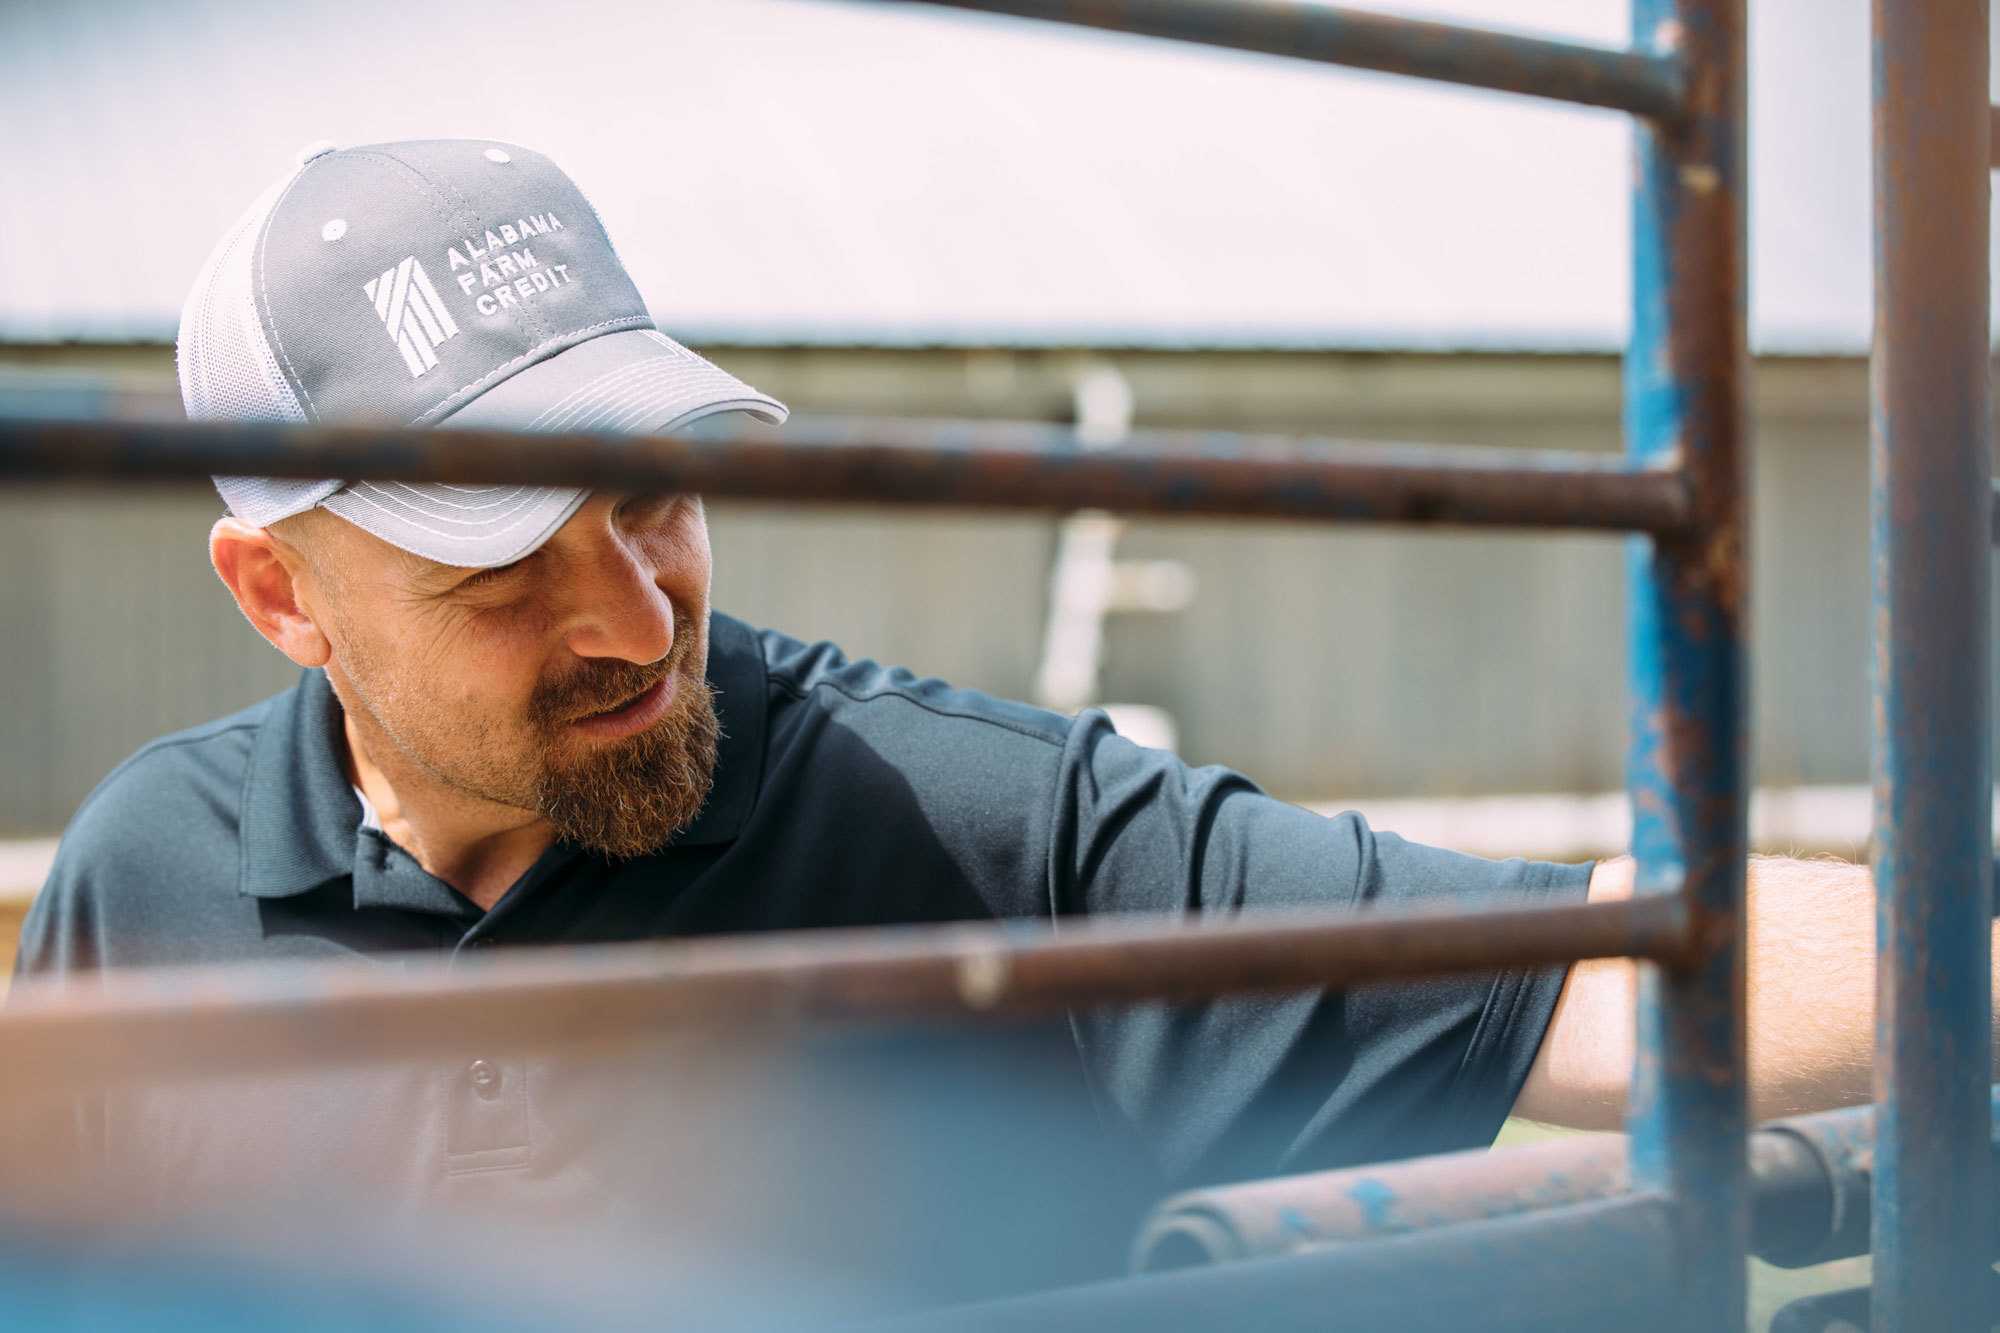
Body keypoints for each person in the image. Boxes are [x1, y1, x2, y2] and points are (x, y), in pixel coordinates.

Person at [9, 139, 1917, 1281]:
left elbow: (1595, 970)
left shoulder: (975, 826)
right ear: (280, 595)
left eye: (652, 492)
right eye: (501, 568)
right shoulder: (141, 880)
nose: (634, 611)